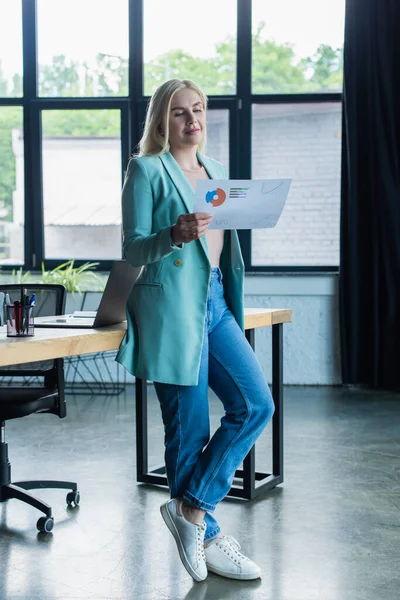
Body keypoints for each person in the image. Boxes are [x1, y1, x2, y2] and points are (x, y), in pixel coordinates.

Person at [116, 79, 275, 582]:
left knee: (255, 404)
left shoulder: (216, 170)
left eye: (199, 110)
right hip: (171, 310)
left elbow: (223, 243)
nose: (192, 121)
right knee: (189, 430)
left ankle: (192, 508)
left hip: (215, 303)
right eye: (180, 112)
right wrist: (172, 234)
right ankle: (206, 535)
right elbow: (133, 248)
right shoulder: (145, 170)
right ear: (163, 121)